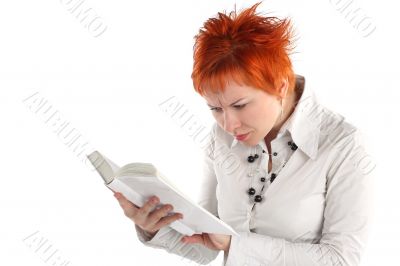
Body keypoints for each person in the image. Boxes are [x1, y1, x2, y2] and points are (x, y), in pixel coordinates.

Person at [113, 2, 373, 265]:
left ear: (280, 87)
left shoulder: (344, 145)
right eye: (215, 108)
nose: (228, 124)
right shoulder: (221, 138)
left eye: (240, 105)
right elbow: (206, 247)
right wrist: (153, 227)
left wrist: (237, 244)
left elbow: (341, 259)